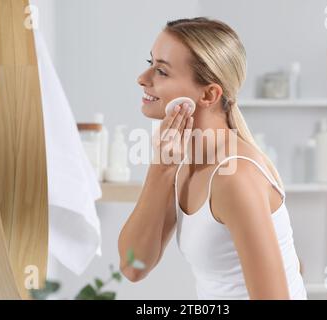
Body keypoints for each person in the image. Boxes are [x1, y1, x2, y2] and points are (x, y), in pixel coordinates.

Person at [118, 17, 307, 300]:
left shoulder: (234, 178)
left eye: (161, 71)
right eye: (150, 63)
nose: (142, 79)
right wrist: (160, 170)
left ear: (208, 94)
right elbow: (133, 266)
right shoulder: (182, 162)